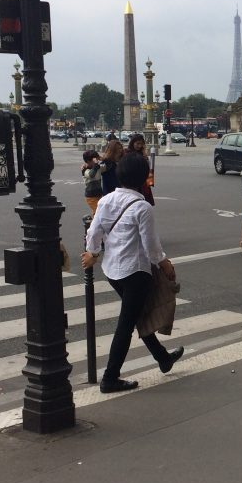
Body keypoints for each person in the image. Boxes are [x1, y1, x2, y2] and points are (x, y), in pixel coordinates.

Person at [81, 154, 184, 392]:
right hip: (135, 272)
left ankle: (163, 358)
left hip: (113, 271)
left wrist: (93, 252)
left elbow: (94, 231)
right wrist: (164, 263)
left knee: (135, 315)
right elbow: (151, 245)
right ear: (143, 178)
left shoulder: (106, 200)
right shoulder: (142, 207)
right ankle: (110, 378)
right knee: (127, 323)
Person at [125, 134, 155, 205]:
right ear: (132, 143)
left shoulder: (142, 154)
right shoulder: (127, 153)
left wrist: (144, 154)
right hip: (131, 182)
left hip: (143, 182)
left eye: (141, 144)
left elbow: (147, 167)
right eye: (137, 143)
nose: (139, 146)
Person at [82, 149, 104, 215]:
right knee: (98, 212)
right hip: (91, 197)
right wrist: (96, 165)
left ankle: (90, 222)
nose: (97, 161)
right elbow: (91, 175)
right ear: (88, 161)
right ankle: (93, 224)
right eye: (95, 159)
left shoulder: (98, 167)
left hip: (99, 194)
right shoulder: (85, 170)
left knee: (97, 212)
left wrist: (102, 159)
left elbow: (107, 167)